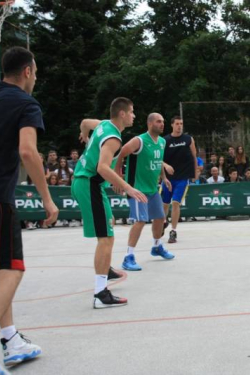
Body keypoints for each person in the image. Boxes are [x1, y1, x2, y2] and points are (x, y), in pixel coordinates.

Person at [0, 46, 59, 369]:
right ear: (27, 72)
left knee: (0, 271)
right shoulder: (26, 103)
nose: (36, 78)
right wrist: (47, 199)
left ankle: (10, 339)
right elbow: (27, 151)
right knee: (12, 268)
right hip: (0, 199)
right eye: (35, 72)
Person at [73, 97, 147, 309]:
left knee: (109, 225)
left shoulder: (104, 124)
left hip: (86, 183)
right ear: (122, 114)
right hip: (89, 184)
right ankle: (100, 294)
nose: (134, 115)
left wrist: (85, 137)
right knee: (106, 238)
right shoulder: (114, 138)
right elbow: (102, 168)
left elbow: (85, 123)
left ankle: (105, 269)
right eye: (132, 112)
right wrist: (128, 187)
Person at [106, 112, 174, 271]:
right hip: (137, 188)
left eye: (163, 121)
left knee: (160, 218)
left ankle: (157, 247)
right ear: (150, 123)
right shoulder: (139, 140)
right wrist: (117, 173)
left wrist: (164, 178)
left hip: (152, 189)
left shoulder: (162, 142)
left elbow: (158, 163)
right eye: (159, 121)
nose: (162, 124)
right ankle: (128, 257)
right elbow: (121, 152)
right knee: (140, 220)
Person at [160, 116, 197, 244]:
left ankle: (173, 231)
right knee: (164, 204)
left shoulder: (188, 139)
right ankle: (164, 222)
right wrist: (166, 166)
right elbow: (158, 158)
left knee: (175, 203)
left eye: (181, 123)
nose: (179, 126)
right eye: (177, 123)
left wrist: (195, 172)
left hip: (182, 178)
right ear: (172, 125)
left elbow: (194, 156)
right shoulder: (165, 140)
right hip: (168, 179)